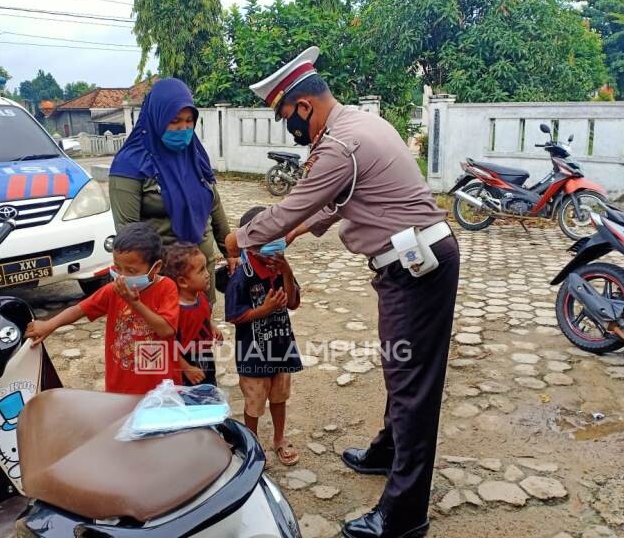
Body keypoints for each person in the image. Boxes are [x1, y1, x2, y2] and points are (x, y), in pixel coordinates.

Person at [224, 47, 460, 538]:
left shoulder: (339, 144)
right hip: (411, 261)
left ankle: (404, 515)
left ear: (303, 106)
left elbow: (293, 205)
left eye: (286, 117)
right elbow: (338, 200)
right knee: (402, 372)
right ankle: (387, 451)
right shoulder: (359, 124)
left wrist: (239, 238)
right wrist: (295, 232)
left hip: (417, 268)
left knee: (413, 386)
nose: (288, 128)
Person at [108, 77, 235, 304]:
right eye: (174, 121)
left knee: (201, 324)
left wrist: (230, 252)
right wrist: (142, 282)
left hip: (200, 274)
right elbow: (127, 231)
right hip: (162, 279)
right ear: (157, 118)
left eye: (189, 121)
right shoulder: (130, 164)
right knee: (167, 327)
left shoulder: (194, 154)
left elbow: (214, 204)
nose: (183, 128)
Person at [26, 222, 181, 395]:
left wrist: (135, 303)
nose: (122, 276)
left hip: (158, 385)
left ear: (156, 267)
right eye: (117, 268)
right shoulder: (114, 290)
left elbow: (166, 330)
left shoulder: (166, 288)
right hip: (120, 384)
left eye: (131, 270)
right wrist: (50, 324)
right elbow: (80, 309)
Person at [225, 206, 303, 467]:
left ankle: (279, 438)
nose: (274, 243)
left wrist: (287, 272)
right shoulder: (241, 276)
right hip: (253, 352)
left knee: (280, 397)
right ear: (250, 242)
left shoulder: (280, 267)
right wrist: (264, 310)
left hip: (281, 346)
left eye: (278, 235)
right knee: (254, 402)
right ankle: (253, 443)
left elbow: (292, 303)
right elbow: (234, 316)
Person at [162, 241, 223, 386]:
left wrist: (212, 326)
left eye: (206, 268)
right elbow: (167, 346)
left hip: (205, 355)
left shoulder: (201, 296)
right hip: (185, 363)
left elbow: (203, 316)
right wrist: (186, 368)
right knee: (191, 396)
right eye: (201, 270)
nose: (207, 274)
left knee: (209, 388)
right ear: (183, 282)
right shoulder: (175, 311)